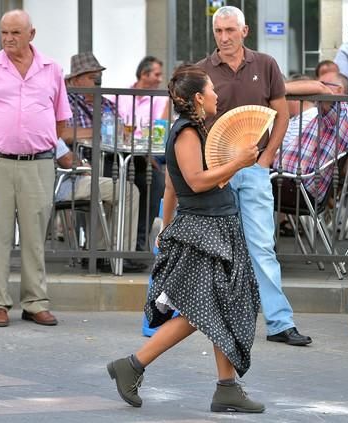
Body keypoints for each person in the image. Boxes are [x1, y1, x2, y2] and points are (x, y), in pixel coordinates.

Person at [107, 64, 264, 413]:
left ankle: (225, 387)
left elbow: (171, 185)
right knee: (203, 308)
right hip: (204, 229)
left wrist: (164, 224)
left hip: (215, 225)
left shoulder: (195, 130)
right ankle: (133, 364)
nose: (216, 95)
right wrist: (238, 162)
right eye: (211, 90)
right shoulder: (187, 134)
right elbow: (194, 181)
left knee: (214, 306)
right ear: (197, 97)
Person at [197, 5, 312, 346]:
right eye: (219, 31)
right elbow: (197, 119)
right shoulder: (203, 70)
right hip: (216, 171)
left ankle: (279, 322)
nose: (224, 37)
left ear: (244, 31)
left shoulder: (266, 65)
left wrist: (266, 158)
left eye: (230, 30)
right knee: (215, 248)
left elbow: (282, 116)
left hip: (253, 170)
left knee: (261, 246)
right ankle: (211, 319)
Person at [0, 10, 71, 327]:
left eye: (15, 33)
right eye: (4, 33)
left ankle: (35, 301)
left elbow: (61, 120)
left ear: (31, 34)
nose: (8, 39)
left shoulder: (52, 70)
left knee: (36, 235)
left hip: (38, 164)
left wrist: (33, 139)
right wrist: (4, 137)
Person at [60, 52, 146, 273]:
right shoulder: (66, 103)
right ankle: (116, 254)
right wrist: (99, 131)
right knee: (125, 188)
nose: (98, 82)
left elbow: (120, 133)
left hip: (109, 157)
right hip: (81, 166)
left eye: (99, 78)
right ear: (75, 80)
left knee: (146, 178)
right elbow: (64, 133)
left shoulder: (106, 103)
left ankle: (127, 246)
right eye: (92, 78)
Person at [105, 56, 168, 253]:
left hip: (148, 154)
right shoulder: (121, 94)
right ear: (143, 74)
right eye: (156, 74)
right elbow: (112, 123)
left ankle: (139, 243)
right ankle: (116, 245)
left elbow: (160, 128)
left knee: (154, 181)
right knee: (120, 177)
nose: (160, 79)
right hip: (120, 153)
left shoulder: (160, 98)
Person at [54, 139, 141, 272]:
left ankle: (96, 253)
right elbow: (67, 160)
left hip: (60, 183)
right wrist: (83, 164)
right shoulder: (47, 126)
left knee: (105, 195)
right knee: (129, 190)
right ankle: (122, 255)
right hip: (64, 186)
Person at [276, 71, 348, 203]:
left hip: (300, 186)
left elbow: (322, 89)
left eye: (323, 82)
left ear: (339, 90)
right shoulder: (326, 116)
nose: (315, 86)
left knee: (244, 180)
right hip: (289, 179)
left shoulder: (343, 113)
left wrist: (277, 89)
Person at [285, 60, 348, 134]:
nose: (319, 86)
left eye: (324, 83)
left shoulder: (347, 102)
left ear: (339, 90)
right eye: (319, 81)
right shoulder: (314, 103)